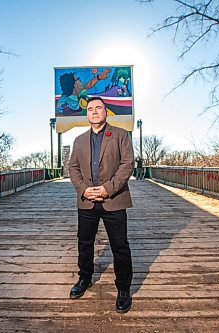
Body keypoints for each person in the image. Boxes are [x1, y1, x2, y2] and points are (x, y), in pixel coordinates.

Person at [67, 96, 134, 314]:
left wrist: (108, 188)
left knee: (120, 246)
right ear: (87, 114)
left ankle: (123, 289)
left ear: (106, 112)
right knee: (84, 243)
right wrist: (83, 189)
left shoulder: (121, 135)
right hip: (87, 200)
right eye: (91, 109)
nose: (95, 111)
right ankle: (84, 279)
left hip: (113, 199)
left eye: (99, 108)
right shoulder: (78, 140)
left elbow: (127, 165)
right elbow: (73, 168)